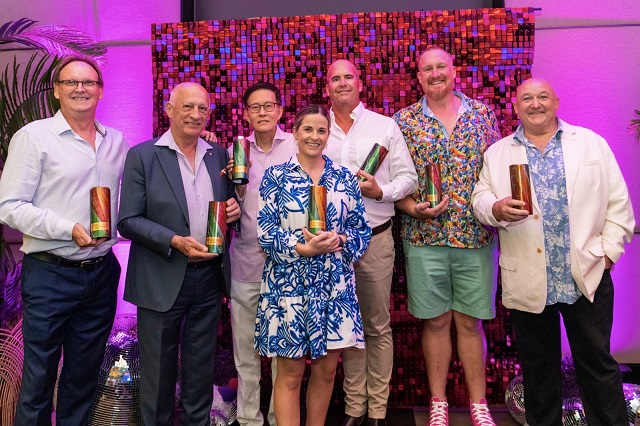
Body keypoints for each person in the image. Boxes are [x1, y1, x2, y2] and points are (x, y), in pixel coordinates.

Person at [472, 78, 635, 426]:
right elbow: (479, 199)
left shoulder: (591, 143)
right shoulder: (497, 153)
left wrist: (607, 254)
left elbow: (619, 205)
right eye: (527, 98)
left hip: (586, 275)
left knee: (598, 366)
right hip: (528, 279)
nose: (535, 104)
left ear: (556, 102)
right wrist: (496, 208)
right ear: (516, 107)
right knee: (539, 372)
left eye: (543, 96)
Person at [0, 55, 128, 425]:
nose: (80, 88)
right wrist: (66, 228)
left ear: (101, 91)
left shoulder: (116, 141)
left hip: (101, 273)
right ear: (57, 90)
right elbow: (9, 206)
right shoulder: (34, 137)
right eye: (71, 82)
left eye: (88, 82)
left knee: (83, 379)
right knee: (38, 379)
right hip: (50, 275)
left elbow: (136, 191)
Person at [117, 82, 241, 425]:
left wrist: (233, 209)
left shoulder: (219, 155)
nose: (195, 114)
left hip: (209, 278)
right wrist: (173, 240)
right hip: (161, 275)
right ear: (169, 110)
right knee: (158, 374)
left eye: (202, 108)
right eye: (187, 106)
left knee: (200, 370)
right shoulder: (143, 155)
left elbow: (228, 206)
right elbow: (127, 221)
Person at [392, 46, 501, 426]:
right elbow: (393, 180)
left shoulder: (482, 114)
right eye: (427, 69)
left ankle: (478, 403)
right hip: (425, 238)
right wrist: (411, 209)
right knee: (436, 322)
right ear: (418, 77)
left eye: (441, 67)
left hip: (476, 237)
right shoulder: (403, 121)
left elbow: (498, 170)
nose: (435, 73)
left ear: (454, 72)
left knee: (470, 322)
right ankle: (437, 402)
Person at [255, 104, 371, 426]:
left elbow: (361, 231)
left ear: (328, 134)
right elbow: (265, 232)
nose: (314, 136)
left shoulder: (344, 178)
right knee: (290, 374)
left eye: (321, 130)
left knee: (326, 371)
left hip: (333, 286)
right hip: (288, 286)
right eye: (308, 129)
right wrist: (302, 248)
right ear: (295, 132)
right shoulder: (276, 177)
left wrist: (340, 239)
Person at [324, 59, 418, 426]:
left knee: (377, 326)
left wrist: (381, 191)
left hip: (375, 240)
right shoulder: (316, 127)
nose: (342, 82)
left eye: (349, 76)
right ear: (327, 87)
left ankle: (377, 409)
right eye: (335, 78)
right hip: (331, 247)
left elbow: (409, 178)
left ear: (360, 83)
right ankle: (354, 407)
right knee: (346, 328)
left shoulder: (384, 126)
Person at [228, 82, 295, 426]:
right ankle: (248, 419)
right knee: (245, 352)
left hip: (289, 266)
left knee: (284, 354)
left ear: (280, 110)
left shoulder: (297, 145)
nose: (263, 113)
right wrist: (235, 188)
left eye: (269, 106)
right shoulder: (235, 150)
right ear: (246, 114)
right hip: (246, 262)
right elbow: (228, 201)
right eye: (255, 107)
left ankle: (279, 417)